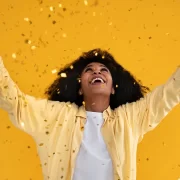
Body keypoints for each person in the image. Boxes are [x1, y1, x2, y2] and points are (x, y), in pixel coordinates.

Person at [0, 48, 179, 180]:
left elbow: (168, 95)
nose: (96, 71)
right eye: (89, 70)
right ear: (79, 88)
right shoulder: (57, 117)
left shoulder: (129, 119)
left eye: (103, 70)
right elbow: (16, 103)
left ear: (113, 88)